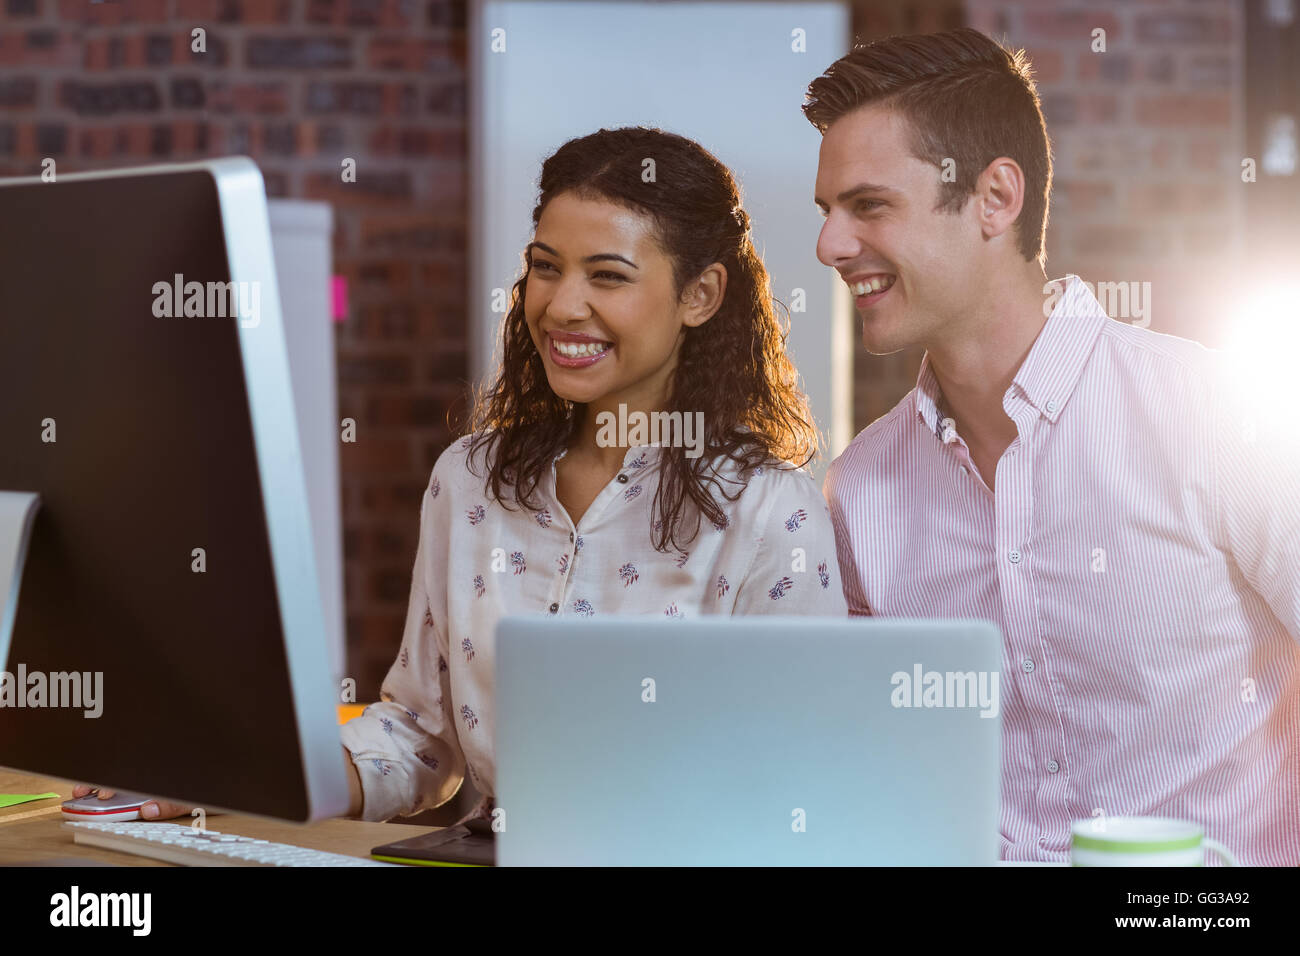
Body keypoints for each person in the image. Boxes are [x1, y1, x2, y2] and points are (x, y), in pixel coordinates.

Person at [808, 28, 1300, 864]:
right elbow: (867, 768)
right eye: (827, 212)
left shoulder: (1217, 414)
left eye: (870, 205)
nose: (830, 246)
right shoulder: (858, 491)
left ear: (996, 198)